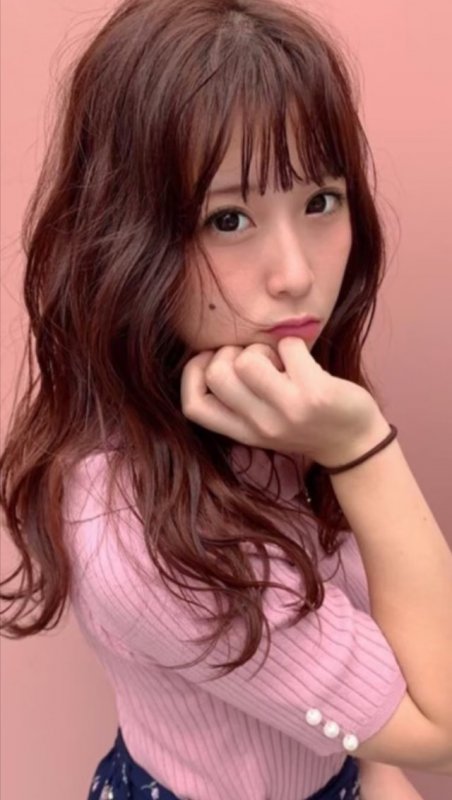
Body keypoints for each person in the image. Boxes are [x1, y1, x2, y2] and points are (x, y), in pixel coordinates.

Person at [1, 0, 451, 798]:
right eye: (229, 218)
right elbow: (445, 732)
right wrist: (362, 450)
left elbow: (361, 636)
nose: (296, 274)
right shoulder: (130, 523)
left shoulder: (267, 386)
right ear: (127, 238)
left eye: (321, 201)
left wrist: (374, 766)